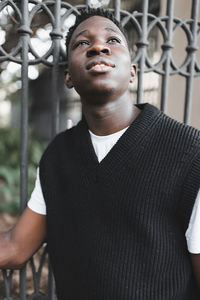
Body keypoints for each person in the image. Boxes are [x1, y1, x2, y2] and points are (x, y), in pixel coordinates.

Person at [0, 8, 200, 300]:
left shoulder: (189, 153)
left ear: (132, 71)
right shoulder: (58, 156)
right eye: (82, 43)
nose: (98, 46)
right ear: (68, 76)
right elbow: (15, 248)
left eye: (113, 40)